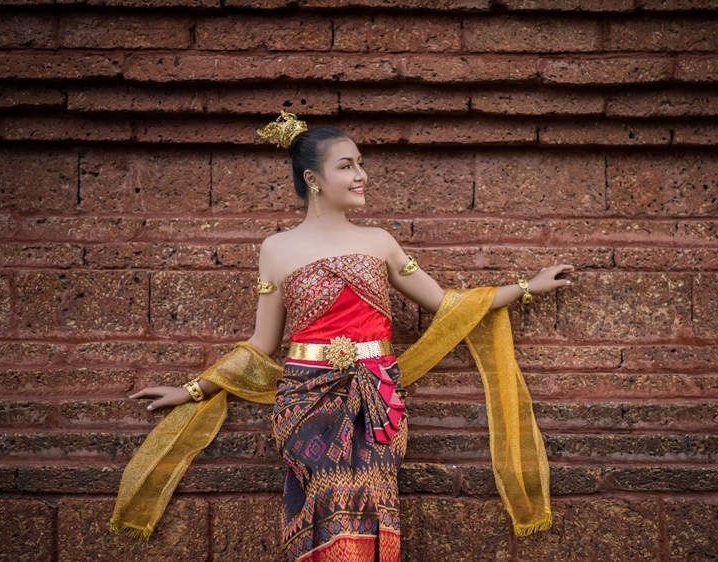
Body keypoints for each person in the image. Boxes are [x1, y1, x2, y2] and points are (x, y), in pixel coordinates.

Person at [113, 111, 573, 561]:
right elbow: (260, 344)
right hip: (305, 399)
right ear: (314, 179)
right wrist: (193, 388)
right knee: (328, 500)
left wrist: (527, 286)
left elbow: (445, 303)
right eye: (347, 165)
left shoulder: (379, 241)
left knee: (371, 504)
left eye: (360, 163)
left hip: (377, 397)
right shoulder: (276, 249)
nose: (362, 175)